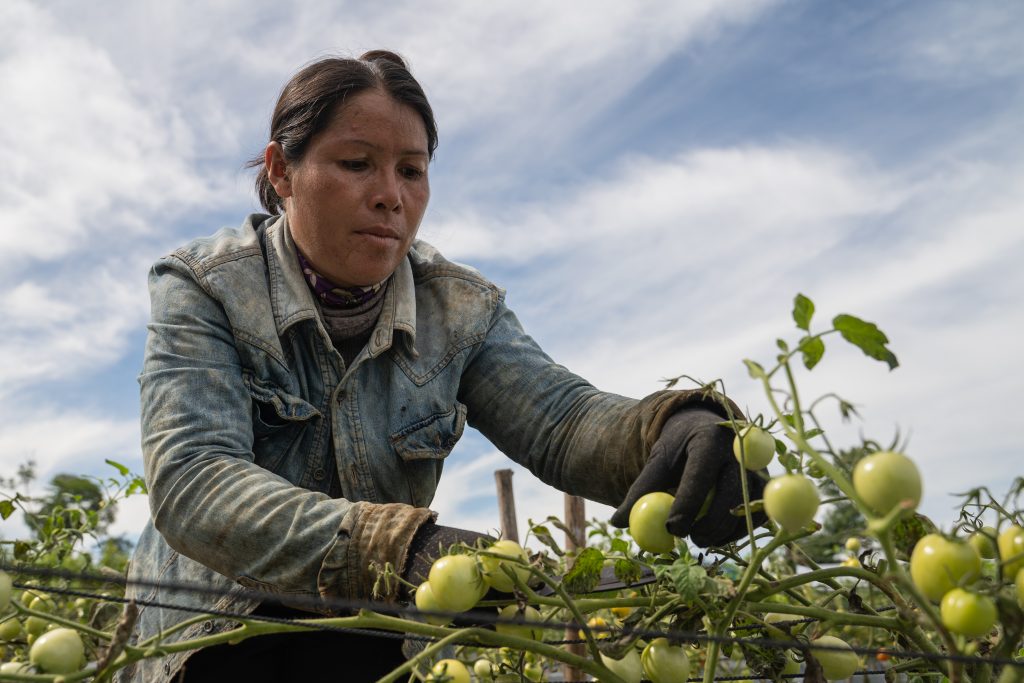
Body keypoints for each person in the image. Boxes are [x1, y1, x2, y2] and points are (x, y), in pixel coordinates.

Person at [118, 50, 766, 682]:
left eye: (412, 170)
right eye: (356, 164)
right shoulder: (207, 287)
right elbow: (195, 481)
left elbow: (561, 421)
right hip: (213, 634)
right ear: (281, 171)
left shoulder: (456, 308)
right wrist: (403, 548)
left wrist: (669, 430)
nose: (389, 197)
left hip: (364, 627)